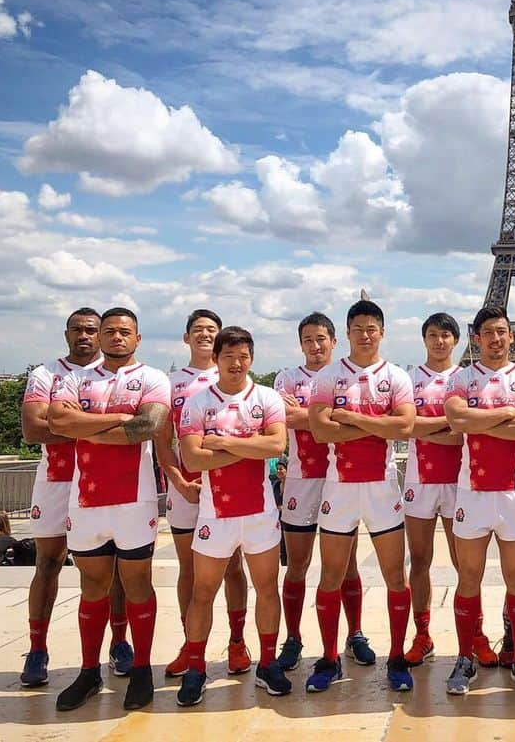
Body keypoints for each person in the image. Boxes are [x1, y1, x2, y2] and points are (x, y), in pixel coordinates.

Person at [48, 307, 170, 712]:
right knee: (92, 588)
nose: (117, 337)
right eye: (110, 331)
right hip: (86, 500)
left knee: (137, 586)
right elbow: (58, 423)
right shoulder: (73, 377)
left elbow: (148, 427)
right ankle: (88, 672)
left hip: (135, 499)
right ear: (98, 337)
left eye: (125, 332)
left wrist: (88, 424)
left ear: (137, 339)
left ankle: (140, 670)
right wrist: (120, 419)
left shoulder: (152, 378)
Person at [174, 326, 291, 706]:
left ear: (251, 359)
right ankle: (196, 669)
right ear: (217, 359)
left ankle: (269, 663)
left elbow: (276, 444)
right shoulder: (197, 402)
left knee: (267, 590)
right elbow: (191, 458)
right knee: (202, 592)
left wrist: (223, 442)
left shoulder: (268, 397)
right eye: (229, 357)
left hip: (260, 514)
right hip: (215, 513)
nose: (236, 364)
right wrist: (250, 447)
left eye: (243, 357)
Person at [305, 300, 417, 693]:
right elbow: (320, 432)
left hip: (382, 487)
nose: (365, 335)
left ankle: (398, 655)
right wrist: (377, 426)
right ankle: (330, 656)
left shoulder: (397, 376)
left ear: (382, 332)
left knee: (395, 577)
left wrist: (350, 418)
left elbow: (403, 427)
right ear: (347, 332)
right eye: (358, 328)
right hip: (340, 485)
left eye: (372, 328)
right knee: (330, 576)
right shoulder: (329, 376)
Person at [20, 308, 133, 687]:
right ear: (66, 333)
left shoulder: (114, 374)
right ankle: (37, 648)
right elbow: (34, 429)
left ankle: (119, 643)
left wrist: (72, 423)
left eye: (91, 330)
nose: (85, 336)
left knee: (115, 567)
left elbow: (134, 425)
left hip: (102, 480)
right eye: (77, 330)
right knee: (48, 563)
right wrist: (99, 427)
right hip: (58, 478)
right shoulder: (46, 374)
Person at [443, 306, 515, 695]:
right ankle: (465, 655)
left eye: (502, 331)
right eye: (489, 332)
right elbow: (456, 421)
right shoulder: (462, 377)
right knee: (468, 578)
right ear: (477, 337)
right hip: (472, 492)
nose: (497, 338)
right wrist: (506, 413)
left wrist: (478, 417)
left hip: (513, 493)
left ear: (511, 336)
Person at [155, 310, 251, 679]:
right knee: (190, 572)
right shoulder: (171, 383)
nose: (205, 336)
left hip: (228, 489)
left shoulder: (233, 375)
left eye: (212, 330)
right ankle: (190, 645)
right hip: (187, 490)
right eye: (198, 330)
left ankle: (237, 642)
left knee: (232, 567)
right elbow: (164, 442)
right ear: (186, 338)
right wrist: (179, 483)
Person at [274, 313, 372, 672]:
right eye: (307, 341)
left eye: (320, 340)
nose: (315, 347)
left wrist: (309, 415)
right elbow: (288, 419)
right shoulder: (286, 377)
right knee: (297, 564)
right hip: (301, 480)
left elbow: (308, 418)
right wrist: (327, 416)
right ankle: (294, 637)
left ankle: (355, 633)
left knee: (345, 564)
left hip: (338, 479)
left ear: (334, 342)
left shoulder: (345, 376)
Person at [403, 313, 496, 667]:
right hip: (419, 480)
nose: (439, 341)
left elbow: (467, 431)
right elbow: (404, 426)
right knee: (421, 560)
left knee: (466, 567)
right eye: (432, 335)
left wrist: (427, 428)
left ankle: (475, 633)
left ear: (457, 340)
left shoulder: (469, 379)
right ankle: (422, 633)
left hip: (461, 481)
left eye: (445, 335)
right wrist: (453, 423)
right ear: (423, 339)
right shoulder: (410, 379)